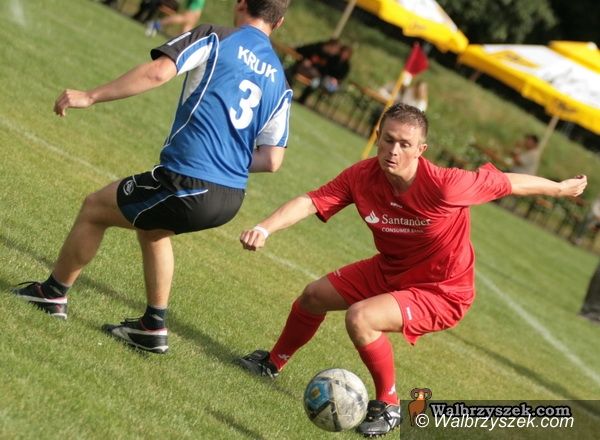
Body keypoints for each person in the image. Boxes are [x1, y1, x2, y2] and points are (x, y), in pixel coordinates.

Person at [237, 103, 587, 437]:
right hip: (390, 269)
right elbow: (312, 201)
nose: (394, 150)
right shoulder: (362, 176)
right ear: (378, 137)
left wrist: (559, 188)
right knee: (313, 296)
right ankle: (272, 363)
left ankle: (388, 405)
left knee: (361, 318)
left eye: (405, 144)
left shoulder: (445, 185)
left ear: (421, 149)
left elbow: (508, 183)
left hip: (442, 290)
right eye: (388, 139)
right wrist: (265, 228)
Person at [11, 0, 293, 354]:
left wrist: (90, 96)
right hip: (230, 196)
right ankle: (152, 327)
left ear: (240, 3)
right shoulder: (281, 81)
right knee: (154, 230)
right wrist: (228, 158)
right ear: (279, 23)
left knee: (95, 208)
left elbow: (158, 72)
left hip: (189, 182)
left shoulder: (216, 37)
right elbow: (272, 159)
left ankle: (52, 294)